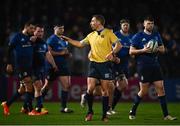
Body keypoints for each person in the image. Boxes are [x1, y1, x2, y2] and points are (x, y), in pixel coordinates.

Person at [61, 15, 122, 122]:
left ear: (99, 22)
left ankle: (104, 115)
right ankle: (90, 112)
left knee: (105, 91)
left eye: (93, 21)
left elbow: (118, 45)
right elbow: (80, 44)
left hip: (105, 65)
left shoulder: (108, 33)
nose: (91, 23)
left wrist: (112, 53)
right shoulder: (91, 35)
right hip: (93, 64)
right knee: (90, 89)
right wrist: (68, 39)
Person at [128, 16, 177, 120]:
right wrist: (143, 50)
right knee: (144, 91)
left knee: (161, 88)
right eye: (148, 23)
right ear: (144, 24)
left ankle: (166, 115)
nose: (150, 25)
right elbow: (131, 51)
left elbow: (163, 49)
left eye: (152, 23)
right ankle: (132, 111)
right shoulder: (138, 36)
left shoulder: (156, 35)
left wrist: (156, 48)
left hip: (155, 65)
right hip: (143, 66)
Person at [1, 22, 35, 115]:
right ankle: (31, 110)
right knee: (29, 84)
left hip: (29, 66)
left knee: (22, 89)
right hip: (21, 66)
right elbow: (9, 49)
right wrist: (9, 63)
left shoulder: (30, 38)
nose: (33, 30)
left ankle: (7, 104)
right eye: (31, 28)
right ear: (26, 27)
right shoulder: (17, 36)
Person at [28, 25, 58, 115]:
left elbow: (48, 54)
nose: (40, 33)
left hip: (41, 68)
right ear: (34, 31)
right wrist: (30, 41)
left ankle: (26, 107)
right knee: (38, 86)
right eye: (38, 31)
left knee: (30, 89)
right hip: (31, 68)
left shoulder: (43, 43)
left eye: (41, 31)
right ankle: (39, 108)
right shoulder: (29, 41)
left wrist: (54, 65)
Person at [46, 24, 73, 113]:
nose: (62, 30)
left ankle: (63, 107)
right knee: (47, 87)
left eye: (63, 28)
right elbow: (48, 52)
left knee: (67, 85)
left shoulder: (64, 39)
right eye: (60, 28)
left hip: (63, 65)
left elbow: (64, 51)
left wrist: (68, 54)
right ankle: (38, 103)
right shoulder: (51, 39)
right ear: (55, 28)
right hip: (53, 66)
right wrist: (61, 54)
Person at [108, 19, 132, 115]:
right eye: (124, 25)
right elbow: (109, 47)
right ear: (121, 26)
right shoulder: (115, 35)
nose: (126, 26)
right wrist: (113, 57)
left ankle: (110, 107)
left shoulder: (131, 37)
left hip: (124, 65)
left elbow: (131, 51)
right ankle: (108, 108)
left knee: (122, 86)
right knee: (110, 87)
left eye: (127, 25)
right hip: (114, 64)